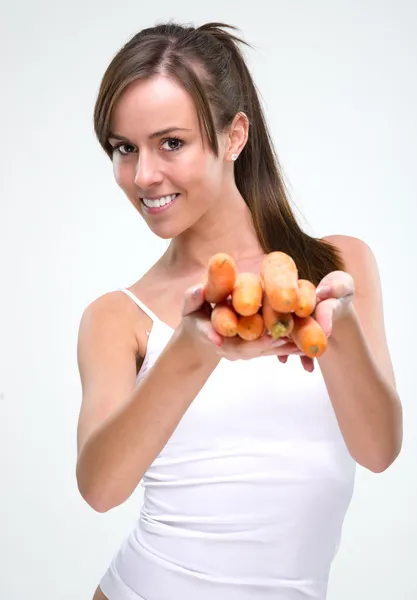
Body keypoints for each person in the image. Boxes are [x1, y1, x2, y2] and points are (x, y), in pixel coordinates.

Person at [75, 20, 403, 600]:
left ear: (233, 135)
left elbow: (378, 450)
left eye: (170, 142)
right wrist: (194, 347)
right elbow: (100, 489)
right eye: (124, 149)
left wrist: (340, 327)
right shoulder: (115, 317)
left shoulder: (336, 268)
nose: (143, 175)